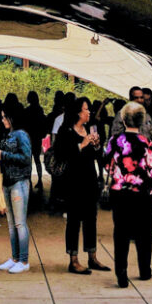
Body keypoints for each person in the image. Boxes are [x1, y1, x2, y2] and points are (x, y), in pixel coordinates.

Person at [103, 102, 152, 288]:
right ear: (141, 120)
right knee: (144, 233)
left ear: (123, 119)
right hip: (142, 194)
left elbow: (107, 164)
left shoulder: (115, 141)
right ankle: (144, 270)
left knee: (120, 232)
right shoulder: (146, 143)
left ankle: (121, 273)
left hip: (120, 193)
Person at [56, 96, 108, 274]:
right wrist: (82, 144)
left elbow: (96, 155)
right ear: (78, 112)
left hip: (89, 178)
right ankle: (74, 260)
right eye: (86, 109)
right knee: (74, 220)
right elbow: (62, 155)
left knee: (90, 219)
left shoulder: (90, 128)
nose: (89, 112)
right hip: (73, 180)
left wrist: (95, 145)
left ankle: (92, 256)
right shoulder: (66, 131)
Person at [0, 104, 32, 274]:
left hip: (19, 182)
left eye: (4, 117)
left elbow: (26, 158)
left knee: (19, 223)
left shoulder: (21, 135)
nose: (2, 120)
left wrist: (3, 155)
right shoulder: (10, 134)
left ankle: (23, 260)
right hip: (9, 181)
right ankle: (16, 257)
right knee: (12, 224)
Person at [25, 90, 46, 189]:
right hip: (37, 138)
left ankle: (29, 180)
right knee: (37, 159)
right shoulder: (40, 110)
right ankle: (40, 180)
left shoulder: (27, 111)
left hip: (29, 138)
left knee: (28, 161)